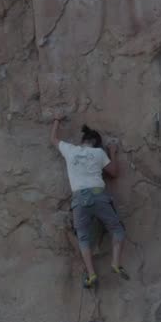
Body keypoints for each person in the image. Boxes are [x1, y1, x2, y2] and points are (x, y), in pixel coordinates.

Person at [51, 117, 129, 289]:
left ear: (83, 141)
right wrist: (113, 152)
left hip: (79, 199)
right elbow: (114, 173)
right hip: (98, 195)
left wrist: (56, 120)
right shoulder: (99, 153)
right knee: (117, 230)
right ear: (97, 144)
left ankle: (91, 274)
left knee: (84, 238)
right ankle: (116, 263)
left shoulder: (70, 150)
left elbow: (54, 139)